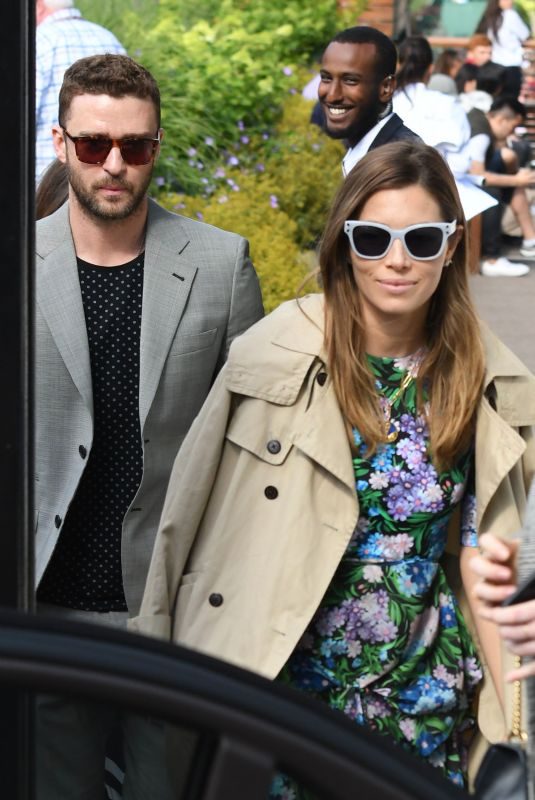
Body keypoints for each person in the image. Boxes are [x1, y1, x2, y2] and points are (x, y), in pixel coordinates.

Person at [132, 140, 535, 791]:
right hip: (283, 689)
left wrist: (515, 730)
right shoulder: (275, 355)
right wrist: (164, 656)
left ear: (452, 245)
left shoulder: (478, 380)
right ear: (345, 243)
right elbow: (192, 519)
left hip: (421, 696)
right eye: (372, 238)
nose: (396, 261)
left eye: (422, 239)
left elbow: (478, 553)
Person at [34, 53, 263, 798]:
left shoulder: (220, 263)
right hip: (46, 609)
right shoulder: (15, 263)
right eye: (94, 144)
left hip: (167, 610)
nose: (114, 165)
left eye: (134, 146)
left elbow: (253, 440)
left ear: (155, 147)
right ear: (61, 143)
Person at [392, 36, 498, 225]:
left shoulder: (383, 104)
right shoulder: (447, 105)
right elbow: (459, 165)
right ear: (430, 69)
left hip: (387, 189)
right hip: (439, 195)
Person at [36, 0, 126, 183]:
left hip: (45, 181)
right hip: (103, 172)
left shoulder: (38, 42)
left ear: (37, 7)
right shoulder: (107, 38)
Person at [316, 26, 419, 176]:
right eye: (326, 78)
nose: (332, 95)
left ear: (386, 88)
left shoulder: (401, 166)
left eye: (350, 80)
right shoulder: (371, 153)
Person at [467, 95, 535, 275]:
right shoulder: (481, 134)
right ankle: (492, 258)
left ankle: (530, 241)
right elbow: (477, 175)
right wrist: (516, 180)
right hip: (458, 180)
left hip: (461, 176)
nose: (511, 132)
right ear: (502, 119)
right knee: (491, 192)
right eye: (512, 127)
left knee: (508, 184)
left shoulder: (482, 124)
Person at [476, 0, 532, 98]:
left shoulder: (490, 16)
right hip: (511, 67)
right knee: (510, 102)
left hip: (494, 66)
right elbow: (525, 35)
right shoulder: (510, 15)